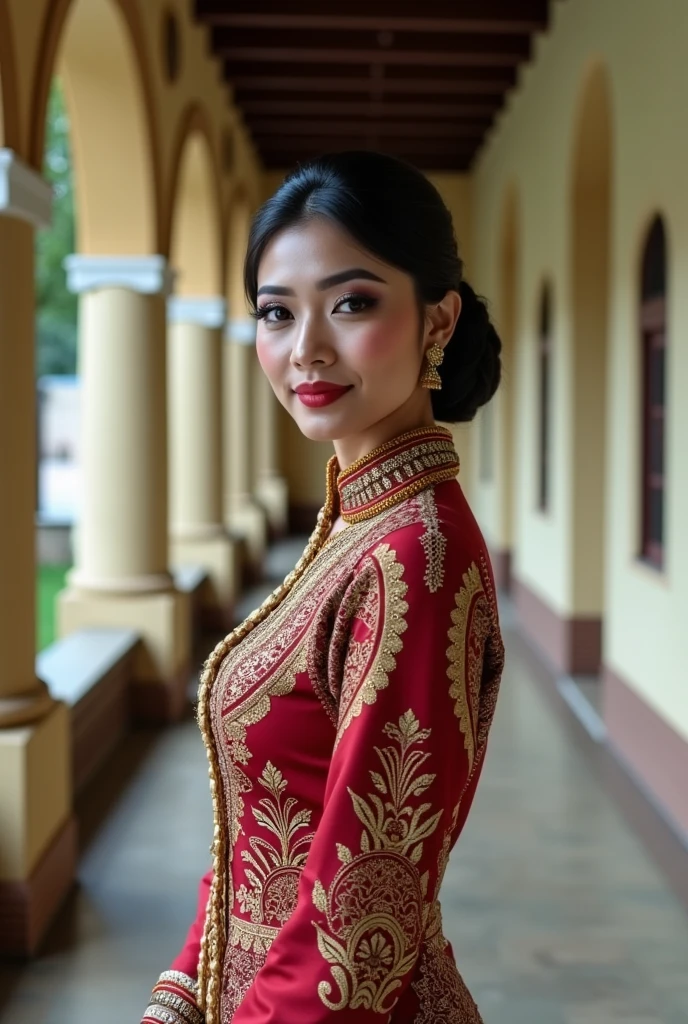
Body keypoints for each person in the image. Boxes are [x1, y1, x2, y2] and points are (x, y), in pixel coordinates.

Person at [141, 151, 505, 1024]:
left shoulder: (416, 555)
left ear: (437, 321)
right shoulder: (355, 526)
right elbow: (258, 831)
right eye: (276, 312)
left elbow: (360, 918)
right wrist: (182, 997)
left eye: (351, 303)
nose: (305, 350)